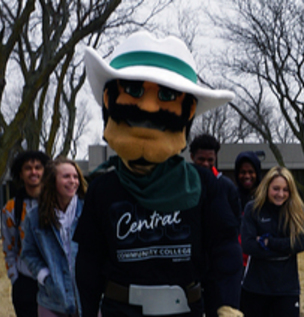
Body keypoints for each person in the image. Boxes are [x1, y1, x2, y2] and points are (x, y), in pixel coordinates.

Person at [73, 31, 243, 317]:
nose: (149, 107)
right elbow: (89, 261)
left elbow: (224, 252)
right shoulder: (102, 189)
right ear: (108, 99)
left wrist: (224, 305)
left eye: (166, 95)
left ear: (188, 110)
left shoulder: (205, 185)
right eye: (135, 91)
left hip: (186, 310)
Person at [21, 156, 88, 317]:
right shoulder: (34, 217)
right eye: (66, 176)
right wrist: (45, 277)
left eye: (75, 176)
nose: (73, 181)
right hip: (52, 301)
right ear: (52, 181)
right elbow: (29, 254)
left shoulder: (89, 211)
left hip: (87, 299)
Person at [240, 166, 304, 317]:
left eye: (285, 190)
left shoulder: (297, 210)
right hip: (255, 288)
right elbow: (248, 245)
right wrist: (285, 247)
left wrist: (267, 242)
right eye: (276, 189)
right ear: (267, 187)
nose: (280, 194)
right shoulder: (253, 209)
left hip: (286, 289)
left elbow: (299, 244)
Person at [189, 133, 242, 316]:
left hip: (222, 264)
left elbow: (236, 223)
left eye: (210, 160)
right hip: (193, 263)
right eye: (200, 159)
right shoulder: (183, 188)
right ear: (191, 157)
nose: (205, 164)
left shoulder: (227, 187)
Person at [1, 150, 50, 317]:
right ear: (20, 174)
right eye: (28, 168)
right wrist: (16, 279)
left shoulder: (56, 203)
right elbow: (9, 248)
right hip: (26, 283)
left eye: (38, 167)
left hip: (54, 282)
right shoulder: (11, 209)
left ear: (45, 171)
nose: (34, 172)